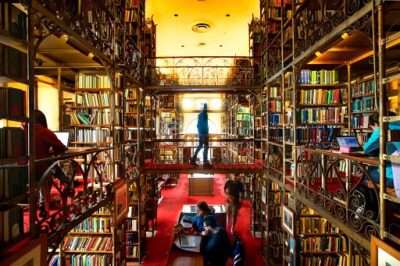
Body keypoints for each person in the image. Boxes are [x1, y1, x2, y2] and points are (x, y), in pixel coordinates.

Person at [363, 112, 400, 189]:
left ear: (376, 124)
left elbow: (367, 150)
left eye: (372, 128)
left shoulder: (382, 129)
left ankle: (374, 200)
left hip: (395, 178)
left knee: (367, 173)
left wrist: (376, 132)